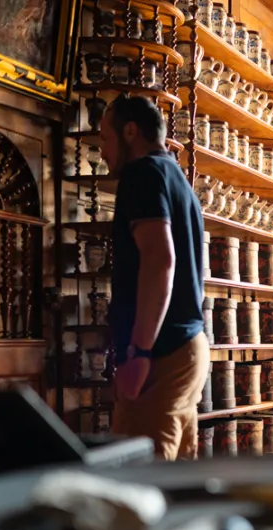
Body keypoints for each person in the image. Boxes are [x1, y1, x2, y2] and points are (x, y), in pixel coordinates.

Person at [99, 94, 209, 460]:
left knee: (140, 482)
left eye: (104, 139)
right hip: (187, 348)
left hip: (161, 356)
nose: (102, 152)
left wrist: (140, 351)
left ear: (130, 131)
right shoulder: (178, 179)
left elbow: (160, 260)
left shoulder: (142, 173)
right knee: (178, 484)